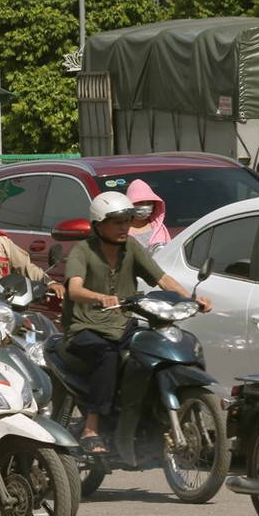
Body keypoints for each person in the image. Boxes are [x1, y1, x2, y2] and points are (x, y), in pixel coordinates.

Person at [63, 192, 212, 456]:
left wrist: (190, 299)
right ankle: (92, 428)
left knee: (153, 347)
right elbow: (74, 289)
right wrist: (99, 297)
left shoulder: (131, 247)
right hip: (86, 327)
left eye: (127, 220)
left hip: (122, 325)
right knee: (107, 355)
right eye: (117, 221)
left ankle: (146, 417)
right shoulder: (82, 251)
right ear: (99, 225)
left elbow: (162, 279)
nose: (124, 226)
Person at [125, 179, 171, 249]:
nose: (145, 207)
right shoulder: (122, 231)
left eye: (149, 203)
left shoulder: (160, 228)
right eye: (140, 202)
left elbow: (171, 251)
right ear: (129, 204)